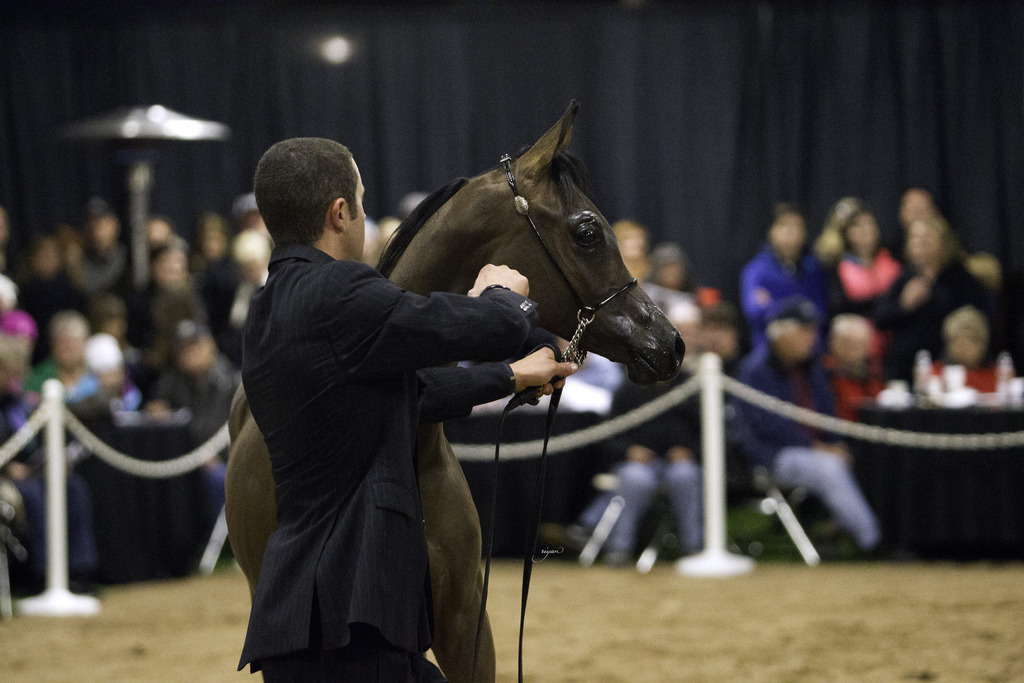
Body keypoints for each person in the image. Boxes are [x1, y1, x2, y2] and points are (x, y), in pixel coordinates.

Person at [237, 137, 577, 679]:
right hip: (352, 612)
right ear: (339, 212)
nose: (366, 216)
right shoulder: (341, 289)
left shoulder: (269, 305)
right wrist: (502, 296)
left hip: (301, 620)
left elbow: (405, 396)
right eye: (363, 202)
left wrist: (512, 376)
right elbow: (479, 328)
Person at [733, 296, 880, 553]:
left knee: (864, 456)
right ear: (781, 333)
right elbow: (769, 427)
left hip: (813, 449)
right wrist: (818, 447)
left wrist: (835, 444)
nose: (811, 338)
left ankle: (838, 532)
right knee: (829, 467)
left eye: (812, 331)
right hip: (771, 457)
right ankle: (873, 542)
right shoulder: (755, 372)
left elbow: (826, 415)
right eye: (804, 331)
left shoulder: (812, 368)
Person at [145, 320, 238, 531]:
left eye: (195, 345)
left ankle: (221, 543)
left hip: (224, 462)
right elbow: (156, 412)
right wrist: (156, 412)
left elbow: (241, 435)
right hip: (185, 461)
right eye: (184, 347)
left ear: (210, 345)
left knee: (216, 478)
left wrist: (218, 456)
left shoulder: (232, 382)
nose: (190, 352)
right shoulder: (172, 383)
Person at [873, 214, 989, 382]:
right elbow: (880, 318)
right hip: (905, 366)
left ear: (943, 242)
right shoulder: (905, 277)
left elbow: (974, 319)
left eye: (927, 237)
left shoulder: (960, 277)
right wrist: (903, 305)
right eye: (915, 238)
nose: (920, 243)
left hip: (949, 365)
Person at [740, 203, 828, 352]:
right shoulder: (756, 270)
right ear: (770, 231)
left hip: (810, 353)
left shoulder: (815, 269)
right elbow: (754, 311)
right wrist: (801, 309)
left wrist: (774, 305)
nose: (790, 231)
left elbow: (820, 312)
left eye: (797, 226)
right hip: (768, 352)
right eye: (783, 225)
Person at [823, 314, 885, 422]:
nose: (855, 350)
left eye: (860, 344)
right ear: (834, 343)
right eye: (849, 343)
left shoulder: (874, 374)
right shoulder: (822, 372)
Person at [931, 305, 998, 393]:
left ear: (982, 343)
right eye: (956, 340)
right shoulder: (936, 375)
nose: (963, 348)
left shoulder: (997, 376)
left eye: (969, 339)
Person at [79, 197, 130, 297]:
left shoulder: (129, 259)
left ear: (115, 224)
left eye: (102, 223)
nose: (96, 230)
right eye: (91, 223)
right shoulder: (76, 259)